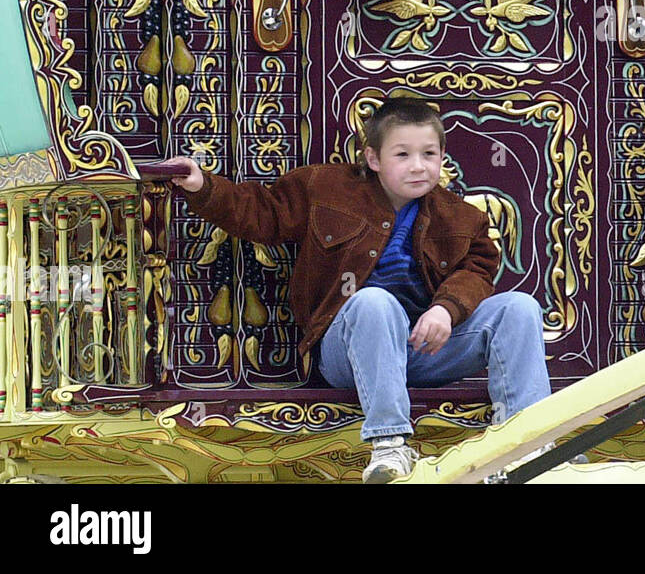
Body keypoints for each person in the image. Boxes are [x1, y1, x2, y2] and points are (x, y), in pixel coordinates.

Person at [167, 97, 551, 483]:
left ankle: (529, 441)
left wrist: (445, 310)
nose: (418, 166)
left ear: (442, 157)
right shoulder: (326, 188)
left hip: (421, 348)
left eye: (429, 154)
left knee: (519, 308)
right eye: (402, 154)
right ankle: (390, 444)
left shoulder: (463, 216)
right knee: (373, 301)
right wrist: (202, 187)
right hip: (347, 352)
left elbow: (478, 271)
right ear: (373, 159)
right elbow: (263, 212)